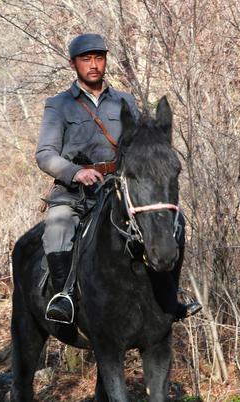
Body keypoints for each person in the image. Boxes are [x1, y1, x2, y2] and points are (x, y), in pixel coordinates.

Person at [35, 33, 200, 323]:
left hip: (117, 187)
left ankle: (169, 295)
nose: (94, 65)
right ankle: (64, 297)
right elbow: (45, 154)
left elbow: (139, 145)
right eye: (87, 59)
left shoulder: (124, 101)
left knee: (172, 221)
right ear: (74, 64)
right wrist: (76, 172)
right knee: (57, 227)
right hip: (75, 191)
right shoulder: (58, 105)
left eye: (99, 58)